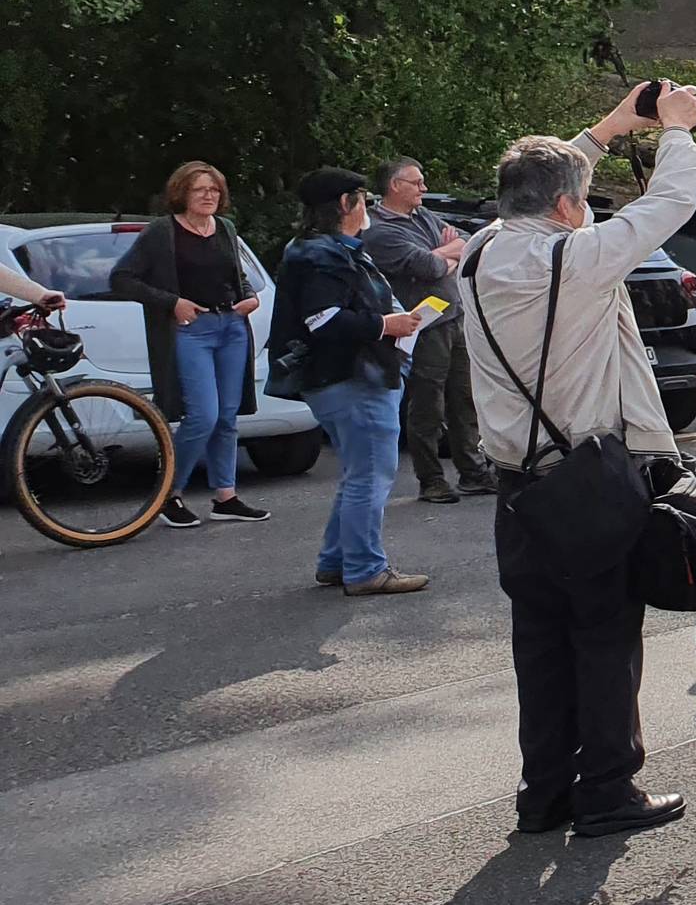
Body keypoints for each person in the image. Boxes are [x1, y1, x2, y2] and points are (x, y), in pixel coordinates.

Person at [462, 80, 696, 838]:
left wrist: (605, 129)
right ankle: (607, 790)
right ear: (568, 208)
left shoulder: (475, 253)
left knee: (539, 645)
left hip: (516, 490)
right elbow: (669, 205)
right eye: (580, 199)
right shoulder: (577, 261)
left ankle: (544, 795)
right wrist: (674, 129)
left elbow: (557, 180)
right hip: (587, 479)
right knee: (603, 639)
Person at [272, 168, 426, 595]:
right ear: (345, 205)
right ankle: (365, 570)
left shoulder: (319, 249)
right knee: (370, 475)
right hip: (353, 377)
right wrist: (386, 324)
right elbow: (323, 320)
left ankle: (336, 561)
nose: (367, 207)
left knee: (358, 472)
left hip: (341, 378)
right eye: (362, 198)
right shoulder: (325, 256)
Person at [112, 161, 272, 529]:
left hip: (231, 328)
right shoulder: (161, 233)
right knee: (202, 416)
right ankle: (169, 493)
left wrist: (249, 297)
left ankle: (225, 496)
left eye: (214, 189)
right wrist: (173, 303)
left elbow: (237, 278)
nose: (208, 195)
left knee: (228, 418)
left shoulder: (226, 229)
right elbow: (122, 278)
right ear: (181, 192)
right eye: (200, 189)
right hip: (191, 331)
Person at [364, 158, 494, 504]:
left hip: (454, 317)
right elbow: (430, 265)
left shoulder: (423, 217)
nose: (423, 188)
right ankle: (431, 479)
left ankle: (473, 471)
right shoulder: (379, 230)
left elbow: (468, 243)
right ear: (395, 186)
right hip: (421, 326)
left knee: (465, 399)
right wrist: (444, 255)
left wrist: (445, 254)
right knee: (427, 404)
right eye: (416, 182)